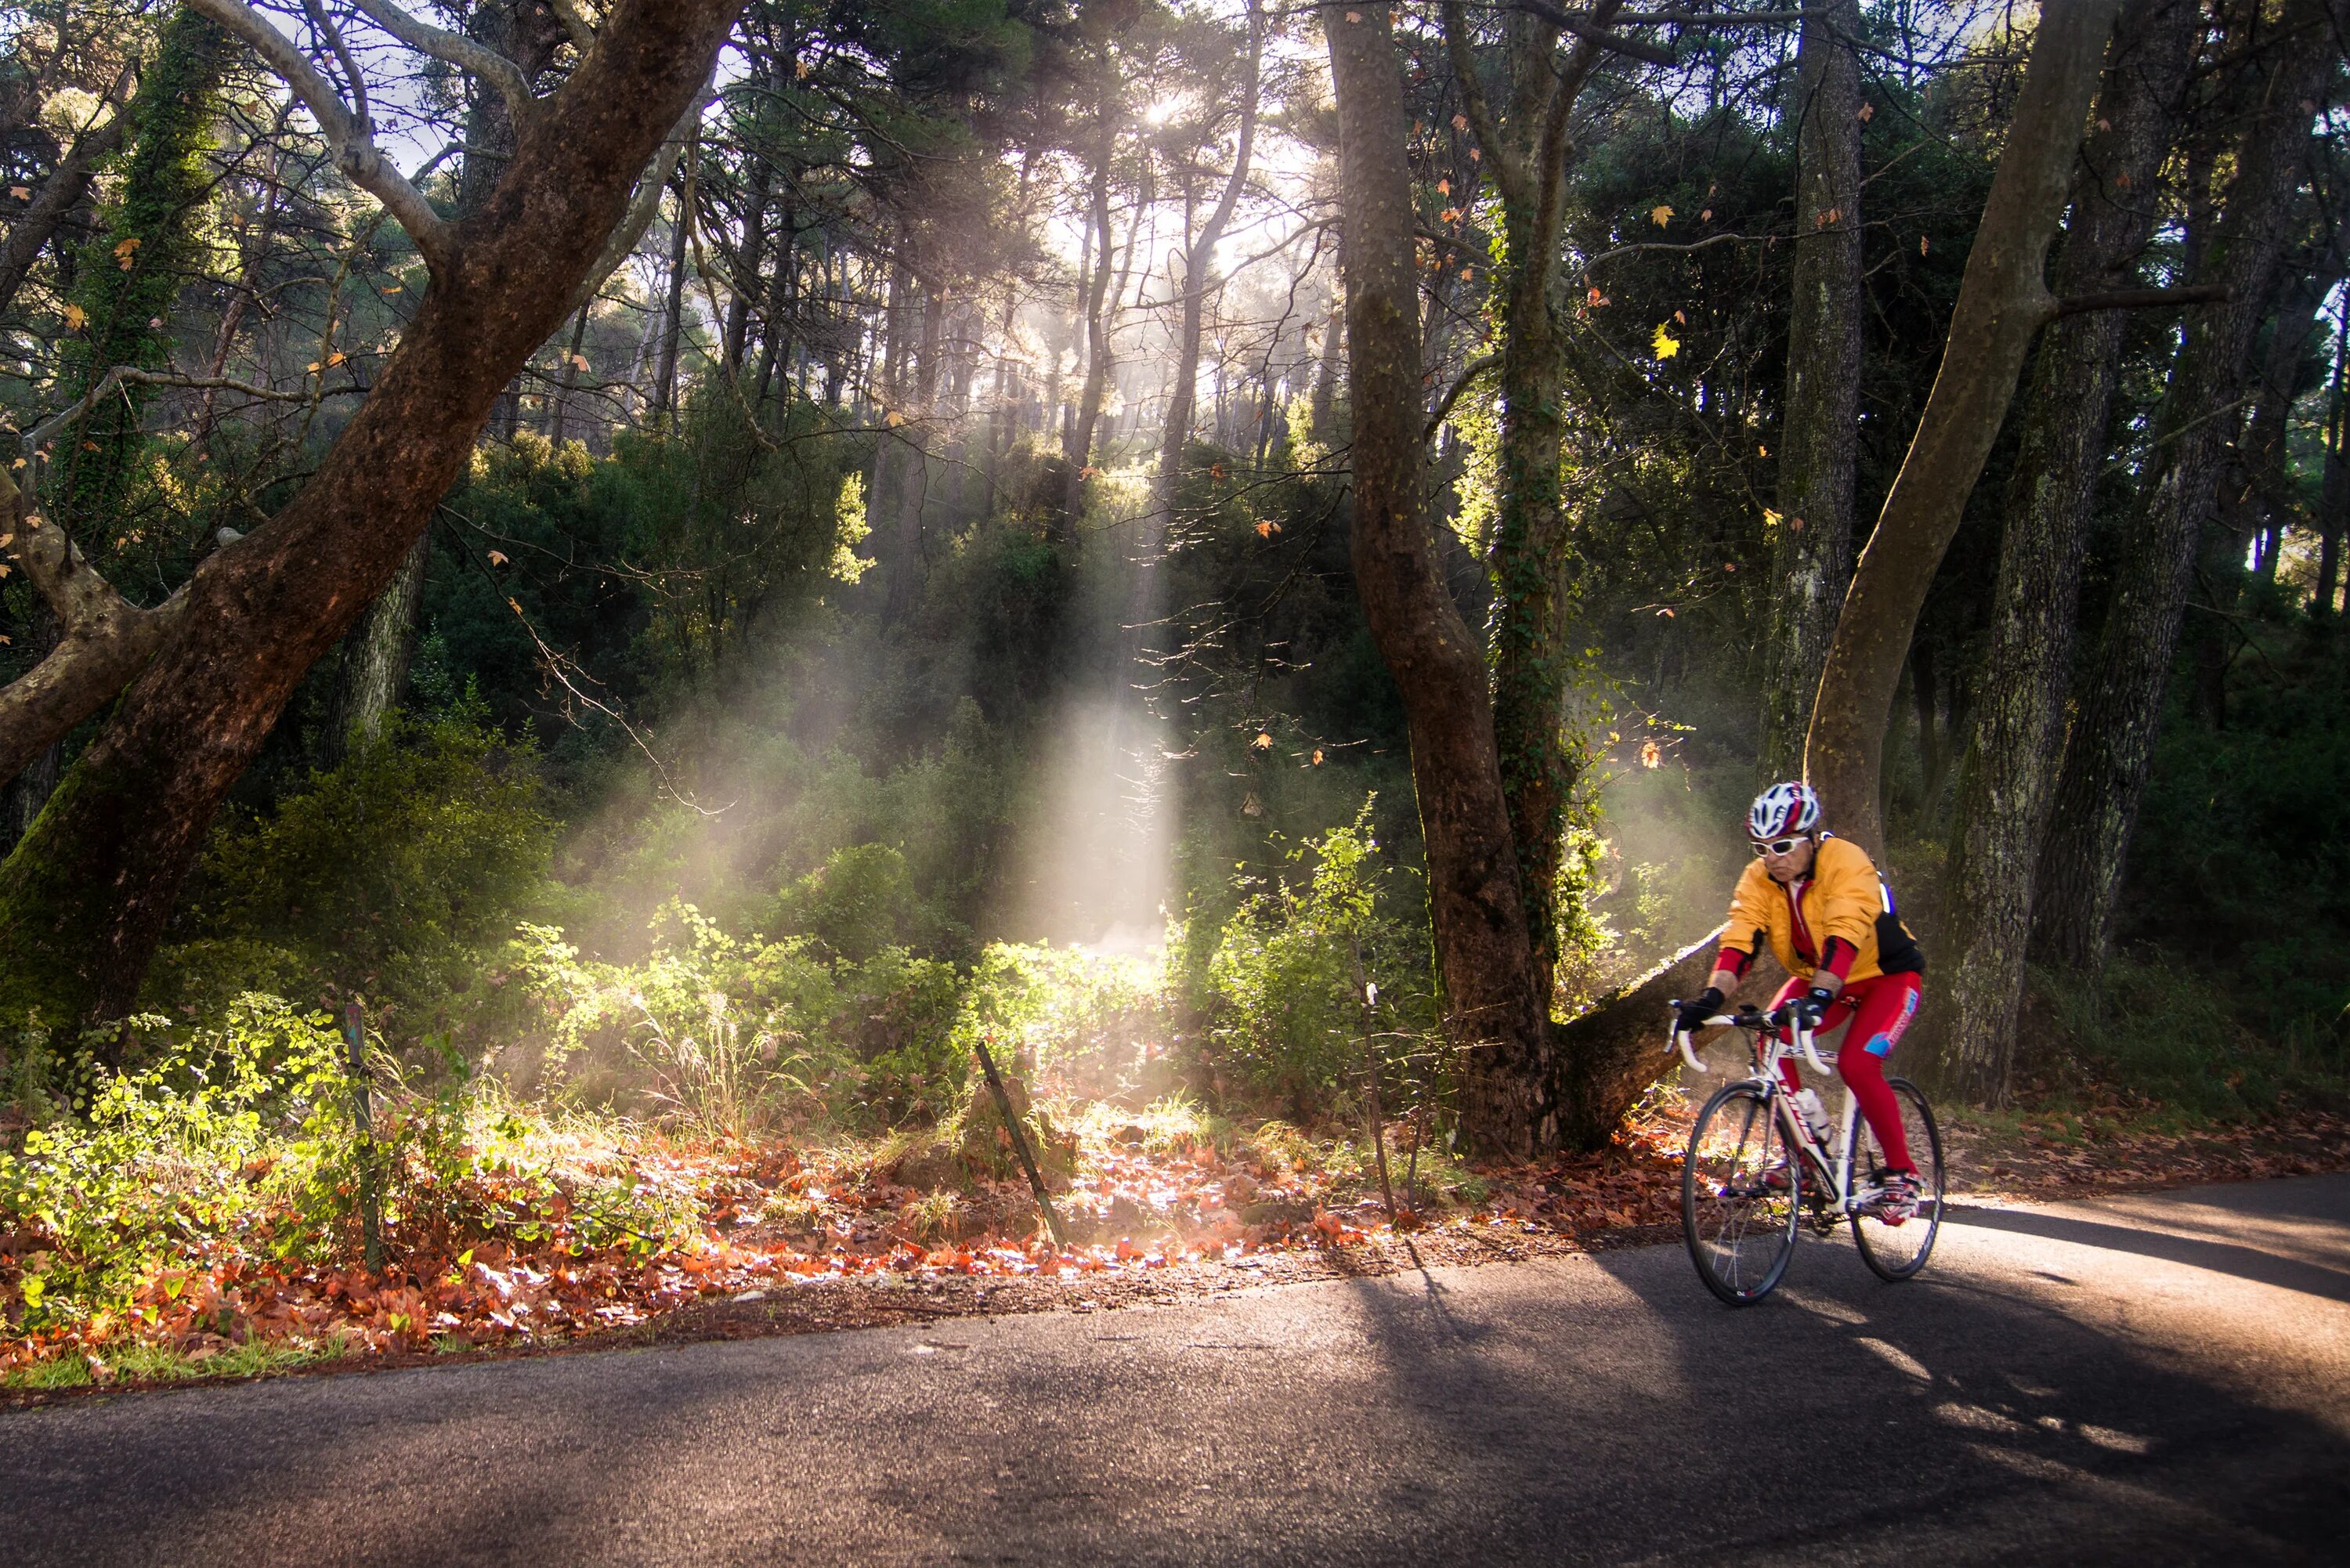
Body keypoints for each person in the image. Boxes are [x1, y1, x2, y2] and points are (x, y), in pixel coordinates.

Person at [1676, 781, 1927, 1214]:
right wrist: (1711, 999)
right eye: (1762, 848)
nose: (1773, 858)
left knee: (1858, 1064)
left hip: (1888, 976)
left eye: (1784, 845)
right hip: (1821, 979)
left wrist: (1819, 999)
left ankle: (1903, 1174)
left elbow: (1845, 933)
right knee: (1770, 1041)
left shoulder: (1845, 860)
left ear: (1811, 837)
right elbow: (1740, 941)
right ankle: (1806, 1155)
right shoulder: (1760, 878)